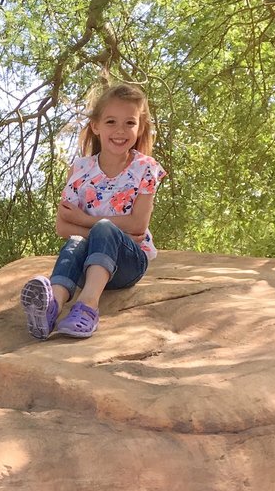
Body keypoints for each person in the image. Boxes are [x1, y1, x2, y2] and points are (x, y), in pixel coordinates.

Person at [20, 82, 166, 340]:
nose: (120, 131)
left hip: (128, 263)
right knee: (76, 241)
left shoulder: (146, 168)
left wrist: (87, 220)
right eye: (111, 122)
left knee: (103, 229)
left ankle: (87, 306)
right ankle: (51, 305)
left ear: (140, 128)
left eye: (130, 123)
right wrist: (101, 231)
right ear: (96, 126)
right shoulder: (80, 169)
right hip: (89, 261)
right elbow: (62, 227)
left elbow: (138, 227)